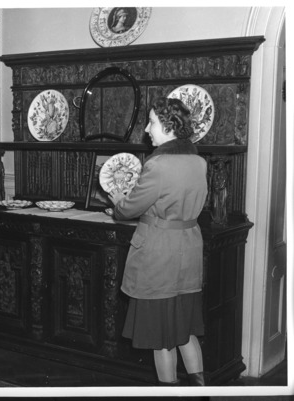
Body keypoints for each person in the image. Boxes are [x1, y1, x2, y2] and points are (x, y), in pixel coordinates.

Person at [109, 97, 208, 386]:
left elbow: (129, 209)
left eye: (151, 122)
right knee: (185, 331)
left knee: (161, 337)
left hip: (160, 257)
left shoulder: (158, 165)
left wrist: (118, 201)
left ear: (168, 125)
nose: (146, 129)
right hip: (189, 252)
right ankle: (201, 392)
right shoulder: (198, 162)